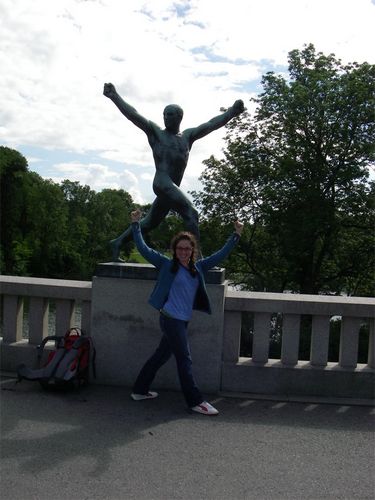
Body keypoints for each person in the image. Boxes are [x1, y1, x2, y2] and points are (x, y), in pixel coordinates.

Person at [103, 82, 245, 261]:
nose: (165, 118)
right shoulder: (156, 134)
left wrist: (232, 112)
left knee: (149, 223)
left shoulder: (187, 137)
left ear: (179, 117)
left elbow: (211, 124)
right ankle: (199, 258)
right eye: (164, 114)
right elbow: (134, 115)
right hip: (162, 182)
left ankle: (117, 242)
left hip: (171, 187)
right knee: (192, 213)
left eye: (170, 115)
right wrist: (114, 96)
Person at [129, 208, 244, 415]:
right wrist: (136, 224)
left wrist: (236, 235)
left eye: (187, 249)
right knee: (185, 359)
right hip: (170, 319)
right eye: (180, 248)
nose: (184, 252)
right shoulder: (166, 264)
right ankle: (195, 401)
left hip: (182, 320)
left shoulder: (197, 268)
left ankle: (139, 390)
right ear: (174, 250)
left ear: (192, 251)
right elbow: (144, 249)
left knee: (160, 356)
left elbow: (220, 255)